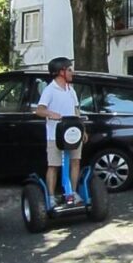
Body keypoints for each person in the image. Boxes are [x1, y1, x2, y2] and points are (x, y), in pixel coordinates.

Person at [36, 57, 85, 204]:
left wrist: (83, 130)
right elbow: (39, 110)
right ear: (60, 72)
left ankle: (73, 193)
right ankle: (51, 197)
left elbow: (77, 112)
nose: (72, 72)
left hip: (73, 135)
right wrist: (52, 114)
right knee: (54, 166)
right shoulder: (50, 90)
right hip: (55, 136)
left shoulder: (71, 91)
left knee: (75, 162)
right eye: (69, 69)